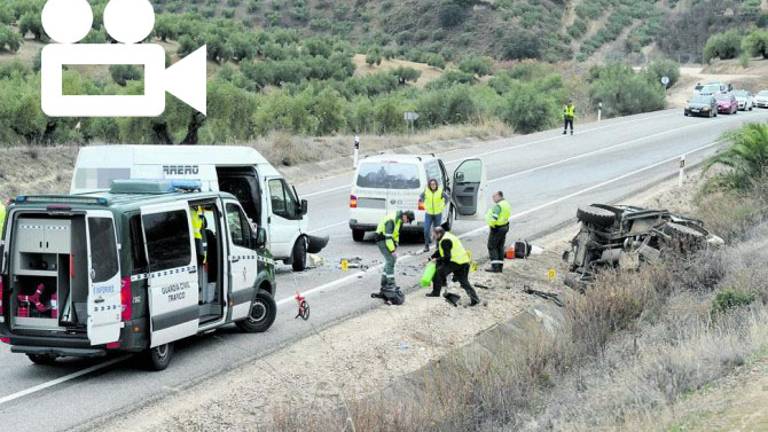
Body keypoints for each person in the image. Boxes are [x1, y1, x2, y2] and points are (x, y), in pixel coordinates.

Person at [427, 226, 479, 307]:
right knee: (464, 281)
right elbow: (440, 251)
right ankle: (475, 299)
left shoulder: (445, 241)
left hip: (455, 262)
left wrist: (437, 260)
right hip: (463, 261)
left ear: (439, 234)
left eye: (434, 235)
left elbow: (447, 257)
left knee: (438, 273)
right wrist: (431, 257)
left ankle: (435, 293)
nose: (433, 237)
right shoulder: (447, 235)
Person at [372, 210, 415, 304]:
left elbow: (396, 235)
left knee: (390, 260)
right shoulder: (391, 220)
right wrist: (392, 251)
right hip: (381, 239)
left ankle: (384, 284)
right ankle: (391, 284)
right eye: (408, 220)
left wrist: (396, 245)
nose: (407, 222)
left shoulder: (399, 220)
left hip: (388, 239)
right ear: (405, 216)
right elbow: (387, 238)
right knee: (390, 260)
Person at [419, 179, 449, 252]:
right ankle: (426, 246)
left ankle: (438, 245)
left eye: (434, 184)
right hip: (428, 213)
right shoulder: (426, 191)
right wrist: (424, 204)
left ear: (436, 185)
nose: (433, 185)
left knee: (438, 230)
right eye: (431, 184)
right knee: (426, 230)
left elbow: (447, 198)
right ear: (429, 185)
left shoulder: (440, 191)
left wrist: (442, 205)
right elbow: (421, 197)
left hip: (438, 214)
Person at [485, 191, 511, 273]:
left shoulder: (498, 206)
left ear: (499, 196)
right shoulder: (506, 204)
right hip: (505, 226)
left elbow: (494, 217)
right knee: (500, 247)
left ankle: (495, 267)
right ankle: (500, 267)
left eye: (494, 196)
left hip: (497, 228)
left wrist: (491, 225)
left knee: (492, 246)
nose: (493, 198)